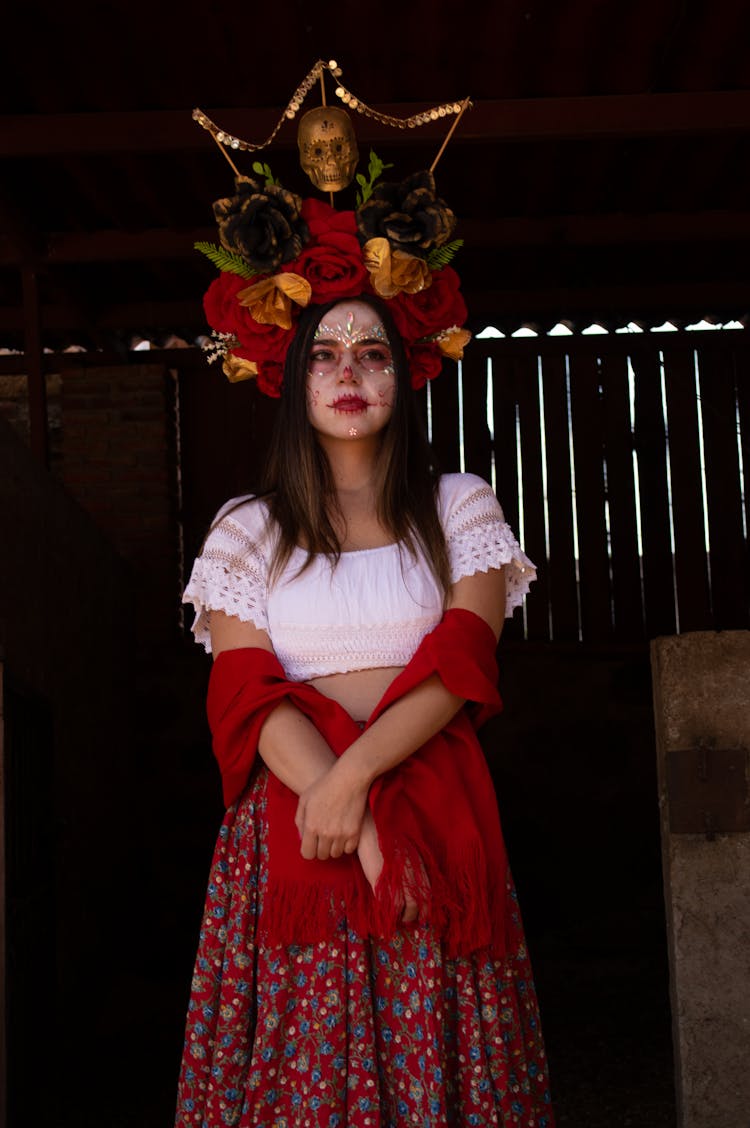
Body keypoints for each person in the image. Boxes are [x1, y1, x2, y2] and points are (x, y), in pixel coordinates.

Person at [174, 160, 555, 1126]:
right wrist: (344, 810)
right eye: (326, 354)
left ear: (405, 371)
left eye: (372, 353)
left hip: (432, 811)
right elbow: (247, 694)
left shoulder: (458, 506)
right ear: (291, 378)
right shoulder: (245, 530)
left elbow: (464, 658)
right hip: (295, 833)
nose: (348, 372)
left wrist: (359, 784)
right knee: (306, 1059)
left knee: (442, 1047)